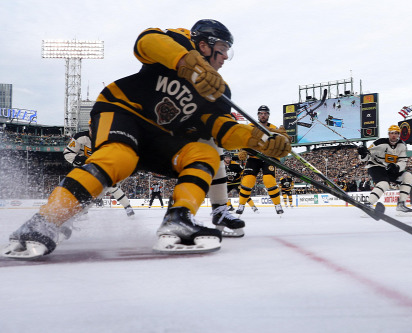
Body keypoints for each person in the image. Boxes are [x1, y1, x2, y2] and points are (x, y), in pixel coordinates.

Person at [2, 19, 290, 259]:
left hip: (162, 136)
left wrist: (259, 139)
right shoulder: (182, 41)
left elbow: (222, 131)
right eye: (223, 49)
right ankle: (45, 220)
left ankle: (179, 220)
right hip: (124, 110)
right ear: (205, 44)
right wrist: (187, 62)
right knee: (118, 157)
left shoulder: (219, 89)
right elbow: (145, 41)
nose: (226, 56)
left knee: (206, 155)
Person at [63, 128, 135, 217]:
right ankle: (80, 212)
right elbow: (67, 154)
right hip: (83, 168)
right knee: (77, 190)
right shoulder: (80, 137)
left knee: (111, 186)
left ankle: (128, 208)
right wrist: (77, 159)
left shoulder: (107, 139)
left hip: (100, 166)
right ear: (90, 128)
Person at [236, 105, 285, 215]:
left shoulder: (273, 128)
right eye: (261, 113)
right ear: (258, 115)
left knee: (269, 179)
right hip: (254, 157)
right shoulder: (250, 126)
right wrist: (241, 150)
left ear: (268, 115)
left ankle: (277, 205)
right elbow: (243, 141)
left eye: (265, 113)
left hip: (268, 157)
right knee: (247, 180)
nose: (263, 115)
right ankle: (241, 205)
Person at [357, 125, 412, 214]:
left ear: (399, 134)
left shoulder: (402, 146)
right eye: (391, 133)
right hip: (376, 166)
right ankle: (368, 204)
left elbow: (403, 161)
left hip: (391, 169)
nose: (393, 135)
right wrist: (362, 154)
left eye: (396, 133)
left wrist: (397, 167)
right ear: (388, 134)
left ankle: (401, 204)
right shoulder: (379, 143)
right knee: (384, 183)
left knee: (408, 176)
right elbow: (366, 157)